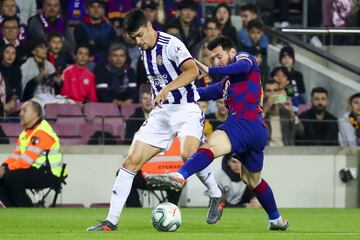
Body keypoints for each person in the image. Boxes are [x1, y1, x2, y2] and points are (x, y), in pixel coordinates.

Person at [86, 9, 222, 232]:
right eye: (133, 38)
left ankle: (216, 194)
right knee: (129, 163)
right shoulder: (144, 49)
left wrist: (167, 88)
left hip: (187, 108)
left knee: (188, 154)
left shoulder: (171, 44)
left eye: (140, 35)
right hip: (162, 113)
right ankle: (111, 221)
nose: (138, 41)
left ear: (149, 26)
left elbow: (191, 72)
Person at [147, 36, 289, 230]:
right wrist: (170, 90)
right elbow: (200, 93)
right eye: (213, 58)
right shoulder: (227, 83)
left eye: (219, 56)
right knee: (252, 179)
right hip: (256, 130)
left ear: (231, 51)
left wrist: (208, 69)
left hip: (243, 122)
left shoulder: (245, 59)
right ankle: (276, 219)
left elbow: (239, 68)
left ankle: (180, 175)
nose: (217, 61)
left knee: (210, 146)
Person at [0, 100, 66, 207]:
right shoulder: (25, 133)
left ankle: (26, 210)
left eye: (24, 110)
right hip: (34, 169)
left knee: (11, 177)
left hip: (49, 172)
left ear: (35, 114)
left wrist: (5, 170)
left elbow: (26, 160)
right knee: (3, 178)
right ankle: (13, 211)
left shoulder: (42, 132)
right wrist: (3, 166)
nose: (20, 113)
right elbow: (15, 155)